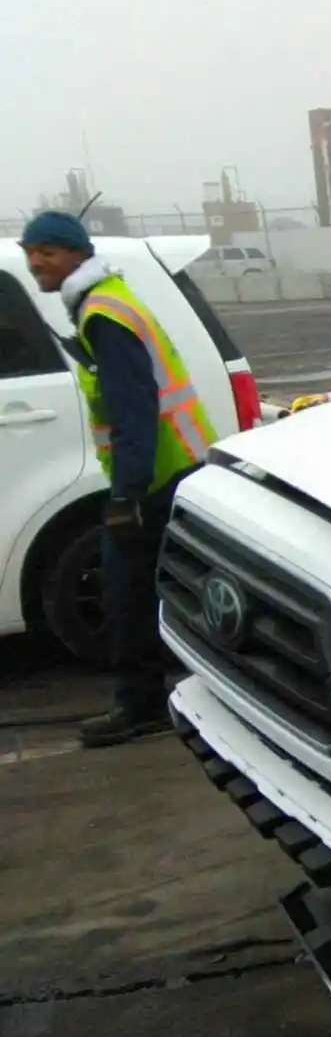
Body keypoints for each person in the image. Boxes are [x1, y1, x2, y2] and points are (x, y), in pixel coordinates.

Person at [19, 211, 215, 747]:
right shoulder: (103, 301)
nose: (36, 261)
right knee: (169, 591)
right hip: (169, 469)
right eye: (30, 250)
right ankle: (191, 695)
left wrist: (127, 495)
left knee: (126, 593)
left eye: (48, 251)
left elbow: (134, 410)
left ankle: (139, 704)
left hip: (154, 478)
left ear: (76, 254)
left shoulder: (104, 313)